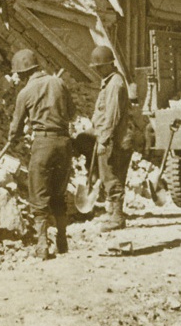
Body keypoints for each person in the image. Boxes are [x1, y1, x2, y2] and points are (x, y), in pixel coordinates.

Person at [8, 48, 75, 259]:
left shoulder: (25, 93)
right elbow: (72, 113)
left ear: (22, 73)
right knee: (59, 193)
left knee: (39, 194)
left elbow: (16, 127)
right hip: (64, 143)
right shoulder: (59, 83)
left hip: (43, 143)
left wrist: (13, 137)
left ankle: (42, 245)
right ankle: (62, 240)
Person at [91, 45, 132, 232]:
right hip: (113, 137)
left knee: (112, 176)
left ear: (109, 65)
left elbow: (112, 115)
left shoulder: (115, 84)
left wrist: (103, 139)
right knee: (111, 175)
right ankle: (115, 212)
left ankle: (117, 217)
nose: (98, 70)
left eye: (100, 67)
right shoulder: (110, 81)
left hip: (116, 138)